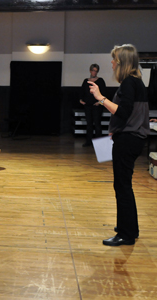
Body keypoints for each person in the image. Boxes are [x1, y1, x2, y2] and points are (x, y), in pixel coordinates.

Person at [89, 44, 149, 246]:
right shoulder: (136, 82)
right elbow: (130, 114)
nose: (112, 63)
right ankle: (130, 227)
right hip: (131, 138)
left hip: (128, 140)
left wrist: (101, 98)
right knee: (124, 186)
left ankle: (126, 234)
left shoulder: (129, 83)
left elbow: (122, 112)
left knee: (122, 186)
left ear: (122, 62)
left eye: (114, 60)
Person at [80, 63, 106, 147]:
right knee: (89, 124)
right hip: (88, 105)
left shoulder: (100, 81)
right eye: (93, 70)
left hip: (97, 106)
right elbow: (82, 92)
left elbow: (105, 94)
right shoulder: (86, 81)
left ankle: (99, 143)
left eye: (96, 71)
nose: (94, 72)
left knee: (97, 124)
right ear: (90, 71)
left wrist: (100, 103)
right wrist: (81, 100)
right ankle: (88, 141)